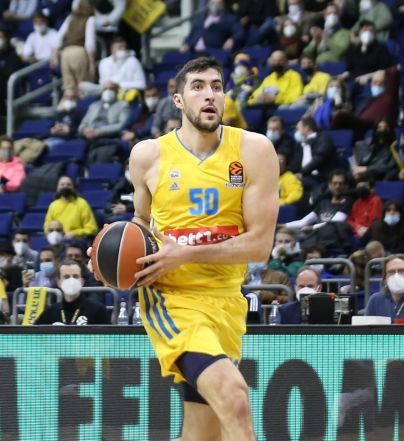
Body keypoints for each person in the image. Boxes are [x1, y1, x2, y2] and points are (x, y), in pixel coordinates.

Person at [100, 57, 278, 440]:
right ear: (178, 99)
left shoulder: (254, 150)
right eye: (198, 86)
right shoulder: (148, 155)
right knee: (234, 397)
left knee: (203, 433)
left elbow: (260, 246)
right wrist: (110, 249)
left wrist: (187, 251)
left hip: (227, 299)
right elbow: (141, 221)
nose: (209, 94)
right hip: (171, 297)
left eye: (217, 86)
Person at [34, 260, 108, 325]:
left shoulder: (98, 310)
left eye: (75, 276)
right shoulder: (50, 312)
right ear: (59, 283)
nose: (71, 280)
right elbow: (34, 334)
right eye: (66, 277)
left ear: (82, 281)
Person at [51, 0, 96, 91]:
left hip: (65, 53)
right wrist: (92, 63)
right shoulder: (90, 20)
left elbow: (57, 38)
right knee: (82, 87)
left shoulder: (70, 18)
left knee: (69, 88)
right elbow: (90, 43)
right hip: (79, 52)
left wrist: (54, 57)